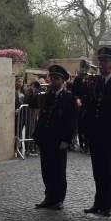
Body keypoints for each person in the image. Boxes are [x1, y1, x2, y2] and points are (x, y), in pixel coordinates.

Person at [79, 47, 111, 217]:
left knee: (108, 171)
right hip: (95, 133)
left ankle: (109, 204)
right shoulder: (95, 82)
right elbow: (80, 93)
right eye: (100, 61)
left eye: (105, 61)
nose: (101, 64)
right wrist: (81, 74)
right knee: (97, 170)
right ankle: (98, 202)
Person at [32, 65, 76, 210]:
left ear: (63, 81)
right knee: (46, 169)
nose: (54, 81)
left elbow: (71, 121)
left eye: (57, 79)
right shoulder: (48, 95)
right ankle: (49, 197)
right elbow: (43, 116)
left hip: (59, 140)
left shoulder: (69, 97)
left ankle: (59, 199)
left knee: (58, 171)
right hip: (46, 138)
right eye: (52, 78)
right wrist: (37, 136)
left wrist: (66, 139)